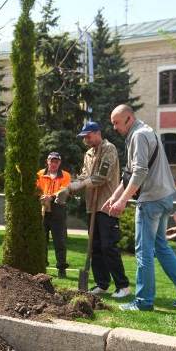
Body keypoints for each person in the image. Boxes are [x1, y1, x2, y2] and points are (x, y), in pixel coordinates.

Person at [105, 105, 176, 311]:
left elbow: (139, 172)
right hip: (165, 198)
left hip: (151, 201)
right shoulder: (145, 132)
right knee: (161, 247)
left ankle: (143, 301)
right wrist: (114, 196)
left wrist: (122, 201)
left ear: (129, 119)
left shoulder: (138, 136)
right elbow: (129, 173)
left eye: (116, 122)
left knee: (143, 251)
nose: (114, 127)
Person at [56, 122, 130, 298]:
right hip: (92, 207)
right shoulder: (88, 153)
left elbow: (101, 177)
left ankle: (123, 286)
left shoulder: (109, 149)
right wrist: (69, 187)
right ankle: (102, 284)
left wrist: (78, 186)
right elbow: (84, 175)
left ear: (98, 133)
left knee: (108, 246)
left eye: (88, 136)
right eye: (84, 137)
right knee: (95, 247)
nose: (86, 140)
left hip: (106, 205)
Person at [36, 152, 71, 278]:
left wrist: (50, 196)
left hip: (58, 210)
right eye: (52, 161)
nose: (54, 163)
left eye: (56, 161)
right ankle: (42, 266)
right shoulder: (40, 174)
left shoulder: (65, 175)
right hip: (43, 209)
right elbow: (36, 188)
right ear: (47, 161)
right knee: (41, 240)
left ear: (59, 163)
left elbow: (63, 190)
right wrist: (41, 196)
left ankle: (61, 268)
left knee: (59, 241)